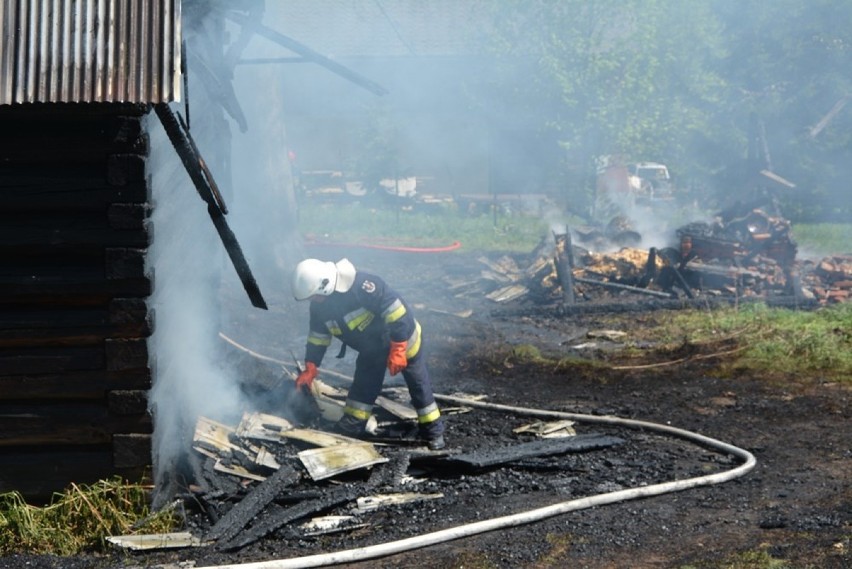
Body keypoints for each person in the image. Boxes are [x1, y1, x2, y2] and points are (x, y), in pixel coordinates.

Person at [290, 258, 446, 450]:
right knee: (363, 387)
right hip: (372, 350)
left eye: (314, 296)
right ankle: (352, 427)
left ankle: (433, 432)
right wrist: (311, 365)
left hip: (404, 341)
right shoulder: (320, 307)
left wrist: (398, 349)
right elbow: (318, 337)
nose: (312, 301)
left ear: (326, 286)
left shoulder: (363, 286)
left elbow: (399, 315)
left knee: (418, 385)